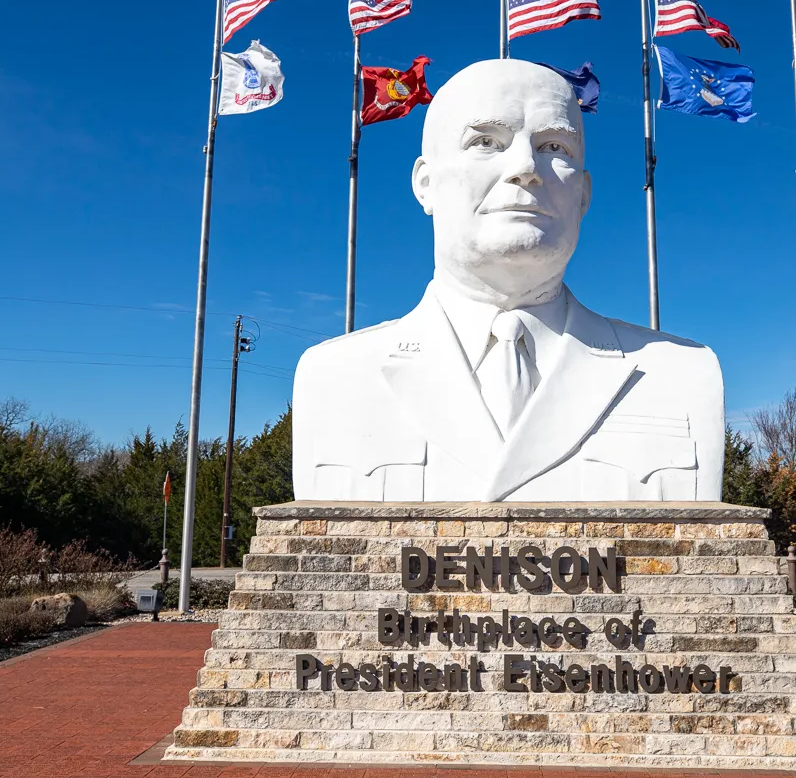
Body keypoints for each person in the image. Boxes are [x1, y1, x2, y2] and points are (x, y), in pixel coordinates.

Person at [292, 59, 723, 502]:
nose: (525, 166)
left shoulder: (683, 373)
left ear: (584, 194)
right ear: (425, 184)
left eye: (555, 146)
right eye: (484, 141)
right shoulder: (332, 377)